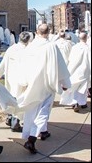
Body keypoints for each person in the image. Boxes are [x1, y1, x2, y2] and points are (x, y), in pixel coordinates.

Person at [16, 24, 71, 154]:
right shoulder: (52, 47)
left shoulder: (31, 46)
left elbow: (23, 65)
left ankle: (31, 134)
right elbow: (61, 67)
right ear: (49, 32)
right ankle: (32, 138)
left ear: (36, 32)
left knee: (31, 111)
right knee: (43, 112)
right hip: (47, 84)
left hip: (32, 84)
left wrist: (22, 82)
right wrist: (66, 83)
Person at [0, 31, 31, 132]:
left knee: (11, 99)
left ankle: (9, 118)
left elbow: (3, 64)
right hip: (22, 80)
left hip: (11, 78)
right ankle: (15, 122)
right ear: (28, 40)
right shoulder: (28, 51)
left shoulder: (11, 49)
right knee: (19, 101)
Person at [60, 32, 91, 112]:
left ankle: (75, 102)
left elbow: (71, 59)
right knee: (83, 89)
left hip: (76, 70)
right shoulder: (88, 48)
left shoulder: (75, 47)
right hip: (85, 71)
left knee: (73, 88)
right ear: (86, 38)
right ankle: (82, 103)